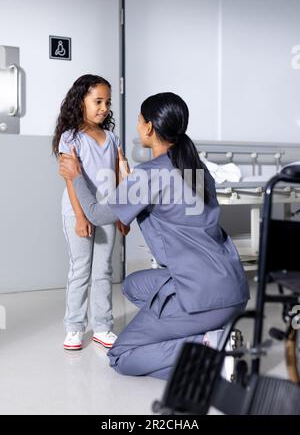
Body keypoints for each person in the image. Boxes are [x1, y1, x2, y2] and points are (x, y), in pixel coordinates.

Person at [59, 92, 250, 379]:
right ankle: (199, 329)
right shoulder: (196, 169)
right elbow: (172, 207)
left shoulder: (149, 176)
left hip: (201, 297)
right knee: (134, 285)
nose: (137, 127)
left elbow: (97, 214)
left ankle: (208, 346)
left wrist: (74, 175)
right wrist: (130, 180)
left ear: (149, 127)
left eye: (139, 121)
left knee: (122, 356)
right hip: (232, 288)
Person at [52, 74, 128, 351]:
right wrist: (82, 217)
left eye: (107, 102)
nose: (104, 108)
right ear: (80, 101)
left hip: (107, 212)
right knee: (81, 270)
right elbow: (71, 179)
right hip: (77, 213)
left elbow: (118, 180)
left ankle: (104, 326)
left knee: (103, 271)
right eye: (97, 101)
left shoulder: (111, 138)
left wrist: (121, 215)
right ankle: (74, 327)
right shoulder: (70, 138)